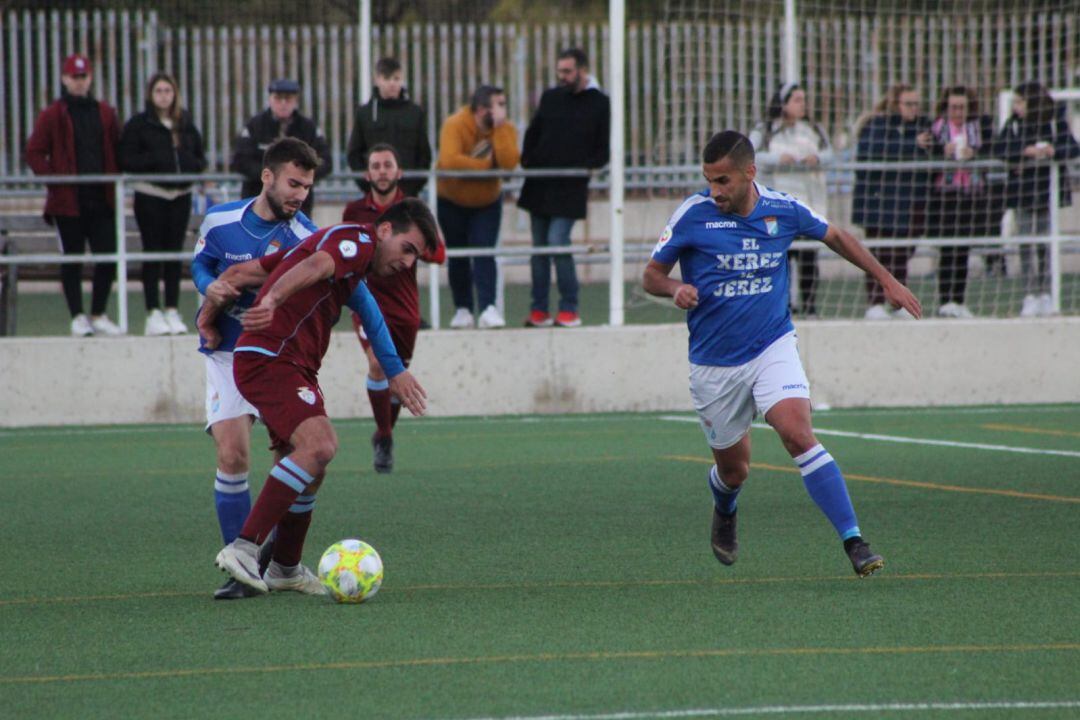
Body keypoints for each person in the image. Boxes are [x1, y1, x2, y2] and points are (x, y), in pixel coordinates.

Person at [642, 130, 922, 577]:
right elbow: (651, 276)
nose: (714, 191)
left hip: (772, 344)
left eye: (723, 181)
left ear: (749, 173)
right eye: (709, 180)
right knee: (735, 472)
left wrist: (886, 279)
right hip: (714, 363)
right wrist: (676, 288)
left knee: (798, 435)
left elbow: (836, 236)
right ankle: (726, 507)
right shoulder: (693, 215)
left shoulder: (783, 208)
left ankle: (854, 541)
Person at [204, 199, 439, 595]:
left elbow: (243, 273)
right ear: (384, 231)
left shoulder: (345, 265)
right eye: (408, 249)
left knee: (310, 469)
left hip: (292, 365)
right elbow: (314, 268)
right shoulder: (356, 239)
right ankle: (244, 548)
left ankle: (285, 567)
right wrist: (274, 300)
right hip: (271, 357)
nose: (408, 263)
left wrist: (207, 318)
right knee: (321, 445)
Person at [191, 137, 320, 599]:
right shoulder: (221, 220)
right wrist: (212, 288)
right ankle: (239, 566)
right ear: (267, 177)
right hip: (227, 352)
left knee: (294, 458)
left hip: (275, 356)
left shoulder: (305, 237)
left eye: (306, 186)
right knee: (232, 454)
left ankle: (282, 560)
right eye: (293, 183)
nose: (300, 194)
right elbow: (201, 265)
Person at [343, 143, 445, 473]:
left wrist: (412, 250)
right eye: (376, 165)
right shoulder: (354, 211)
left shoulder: (412, 212)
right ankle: (384, 436)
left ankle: (387, 432)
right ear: (367, 173)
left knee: (398, 375)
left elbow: (439, 253)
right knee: (377, 363)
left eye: (388, 165)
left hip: (404, 309)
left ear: (398, 172)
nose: (382, 171)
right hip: (366, 300)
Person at [25, 53, 123, 337]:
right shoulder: (53, 114)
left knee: (107, 257)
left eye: (83, 77)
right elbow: (34, 152)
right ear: (64, 79)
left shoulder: (104, 112)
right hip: (69, 204)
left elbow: (116, 147)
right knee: (72, 259)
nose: (79, 82)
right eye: (73, 77)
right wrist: (55, 181)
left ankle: (98, 313)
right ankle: (77, 316)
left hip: (101, 200)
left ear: (90, 78)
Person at [517, 48, 610, 328]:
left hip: (569, 188)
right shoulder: (551, 97)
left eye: (568, 71)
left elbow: (602, 150)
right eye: (560, 72)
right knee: (539, 250)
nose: (563, 77)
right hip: (539, 186)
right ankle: (539, 310)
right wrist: (529, 160)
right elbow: (534, 133)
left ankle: (569, 308)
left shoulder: (599, 102)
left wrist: (583, 168)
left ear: (582, 70)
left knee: (558, 242)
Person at [118, 72, 207, 336]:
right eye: (159, 90)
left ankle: (171, 308)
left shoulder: (185, 122)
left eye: (168, 90)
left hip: (180, 196)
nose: (164, 96)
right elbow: (126, 159)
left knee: (174, 254)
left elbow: (199, 157)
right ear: (150, 94)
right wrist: (157, 160)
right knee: (153, 252)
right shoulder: (139, 124)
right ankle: (152, 312)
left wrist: (189, 165)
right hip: (151, 195)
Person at [437, 85, 520, 329]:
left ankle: (488, 307)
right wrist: (486, 168)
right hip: (451, 201)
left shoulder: (506, 129)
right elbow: (450, 161)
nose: (503, 110)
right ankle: (463, 308)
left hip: (487, 203)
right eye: (499, 105)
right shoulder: (455, 124)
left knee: (485, 253)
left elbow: (508, 164)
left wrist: (500, 129)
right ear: (482, 109)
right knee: (458, 256)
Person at [996, 81, 1080, 317]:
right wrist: (1025, 151)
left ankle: (1046, 293)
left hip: (1047, 193)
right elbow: (1000, 149)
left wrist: (1053, 151)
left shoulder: (1054, 122)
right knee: (1025, 242)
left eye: (1020, 101)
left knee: (1045, 243)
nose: (1016, 106)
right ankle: (1029, 294)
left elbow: (1072, 148)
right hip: (1021, 193)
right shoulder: (1013, 124)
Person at [749, 83, 832, 317]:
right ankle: (780, 307)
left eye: (803, 99)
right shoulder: (765, 130)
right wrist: (777, 158)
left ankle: (810, 307)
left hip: (807, 206)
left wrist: (817, 158)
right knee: (780, 256)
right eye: (796, 99)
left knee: (808, 256)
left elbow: (829, 154)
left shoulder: (812, 129)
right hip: (775, 210)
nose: (802, 104)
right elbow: (749, 154)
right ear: (783, 103)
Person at [852, 84, 933, 320]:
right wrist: (911, 145)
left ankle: (899, 302)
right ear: (895, 104)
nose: (913, 109)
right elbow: (873, 149)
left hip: (909, 203)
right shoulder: (877, 125)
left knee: (903, 252)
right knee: (879, 252)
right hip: (879, 203)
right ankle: (875, 302)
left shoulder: (919, 127)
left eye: (916, 104)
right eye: (908, 104)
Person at [926, 86, 995, 318]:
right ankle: (946, 300)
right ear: (946, 108)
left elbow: (991, 150)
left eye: (962, 107)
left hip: (969, 195)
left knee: (963, 248)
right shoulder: (936, 129)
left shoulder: (978, 128)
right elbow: (927, 155)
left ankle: (959, 299)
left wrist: (974, 155)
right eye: (954, 107)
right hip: (945, 196)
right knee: (948, 248)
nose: (958, 111)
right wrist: (941, 150)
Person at [231, 79, 331, 217]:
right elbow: (240, 160)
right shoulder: (255, 125)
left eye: (288, 99)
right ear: (270, 100)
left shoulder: (308, 128)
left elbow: (325, 161)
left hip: (298, 206)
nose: (283, 104)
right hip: (258, 200)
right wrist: (274, 177)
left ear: (296, 101)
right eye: (278, 98)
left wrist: (299, 178)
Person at [346, 57, 433, 198]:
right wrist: (368, 186)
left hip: (408, 193)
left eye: (396, 78)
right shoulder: (365, 113)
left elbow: (424, 154)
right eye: (387, 78)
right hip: (374, 195)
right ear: (377, 80)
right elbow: (354, 154)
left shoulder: (415, 112)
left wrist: (413, 187)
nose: (392, 83)